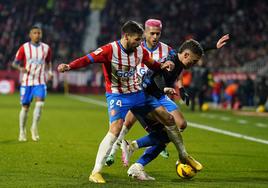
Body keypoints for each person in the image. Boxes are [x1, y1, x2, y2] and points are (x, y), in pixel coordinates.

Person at [57, 20, 180, 184]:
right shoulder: (109, 50)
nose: (139, 43)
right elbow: (87, 59)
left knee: (169, 120)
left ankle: (179, 154)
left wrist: (162, 66)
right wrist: (69, 66)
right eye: (137, 39)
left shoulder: (140, 50)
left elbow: (151, 63)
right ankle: (96, 172)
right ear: (126, 36)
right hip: (117, 96)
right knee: (115, 129)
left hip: (138, 94)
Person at [124, 35, 229, 180]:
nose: (194, 64)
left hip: (156, 96)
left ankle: (134, 153)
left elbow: (193, 48)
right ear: (185, 55)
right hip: (144, 99)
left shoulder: (180, 56)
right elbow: (158, 76)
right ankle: (134, 153)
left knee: (178, 127)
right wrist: (165, 88)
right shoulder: (171, 61)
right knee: (166, 136)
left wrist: (213, 46)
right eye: (193, 61)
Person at [105, 19, 177, 166]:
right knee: (126, 123)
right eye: (152, 33)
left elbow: (181, 60)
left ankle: (155, 144)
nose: (155, 37)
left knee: (178, 124)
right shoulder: (136, 47)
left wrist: (179, 86)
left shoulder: (167, 50)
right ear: (144, 33)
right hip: (137, 92)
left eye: (158, 34)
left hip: (158, 94)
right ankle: (113, 151)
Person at [12, 26, 53, 142]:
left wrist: (49, 72)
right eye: (35, 33)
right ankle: (22, 130)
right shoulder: (24, 47)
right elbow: (15, 63)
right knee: (25, 107)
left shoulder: (46, 48)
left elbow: (49, 62)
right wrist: (20, 68)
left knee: (40, 104)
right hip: (27, 81)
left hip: (40, 81)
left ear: (41, 34)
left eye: (39, 33)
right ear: (30, 35)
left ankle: (34, 128)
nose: (37, 35)